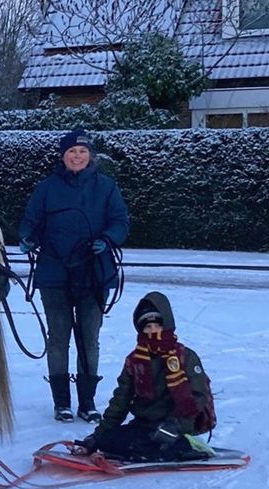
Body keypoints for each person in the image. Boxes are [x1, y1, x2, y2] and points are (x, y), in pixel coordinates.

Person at [18, 128, 129, 423]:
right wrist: (28, 237)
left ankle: (88, 402)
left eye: (82, 152)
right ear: (63, 156)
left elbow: (120, 221)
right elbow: (31, 222)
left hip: (94, 273)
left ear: (90, 155)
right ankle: (62, 403)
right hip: (54, 274)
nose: (77, 156)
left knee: (88, 338)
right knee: (58, 338)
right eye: (71, 152)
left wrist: (107, 239)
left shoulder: (106, 187)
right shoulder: (47, 188)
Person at [78, 291, 217, 463]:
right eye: (147, 327)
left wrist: (175, 425)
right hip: (145, 424)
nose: (153, 331)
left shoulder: (185, 357)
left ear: (166, 325)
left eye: (157, 326)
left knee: (150, 445)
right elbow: (121, 400)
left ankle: (188, 446)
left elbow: (199, 395)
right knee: (110, 440)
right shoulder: (135, 360)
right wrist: (98, 436)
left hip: (176, 425)